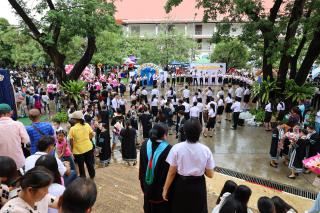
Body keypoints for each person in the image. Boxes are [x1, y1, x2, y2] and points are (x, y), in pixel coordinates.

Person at [163, 119, 214, 213]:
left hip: (181, 185)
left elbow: (172, 172)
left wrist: (165, 189)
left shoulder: (176, 148)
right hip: (198, 186)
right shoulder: (206, 150)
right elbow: (210, 174)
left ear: (184, 132)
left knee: (179, 209)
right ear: (200, 131)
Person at [139, 124, 172, 213]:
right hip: (160, 191)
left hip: (146, 186)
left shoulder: (144, 144)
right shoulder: (169, 150)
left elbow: (141, 167)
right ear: (165, 135)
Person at [0, 103, 30, 169]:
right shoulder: (18, 124)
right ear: (10, 112)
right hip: (18, 161)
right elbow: (26, 140)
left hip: (1, 164)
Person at [68, 110, 95, 179]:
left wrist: (72, 148)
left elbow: (71, 140)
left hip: (78, 150)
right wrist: (88, 139)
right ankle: (92, 175)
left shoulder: (72, 129)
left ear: (75, 120)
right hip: (88, 147)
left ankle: (83, 177)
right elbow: (92, 134)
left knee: (81, 165)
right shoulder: (87, 125)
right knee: (90, 163)